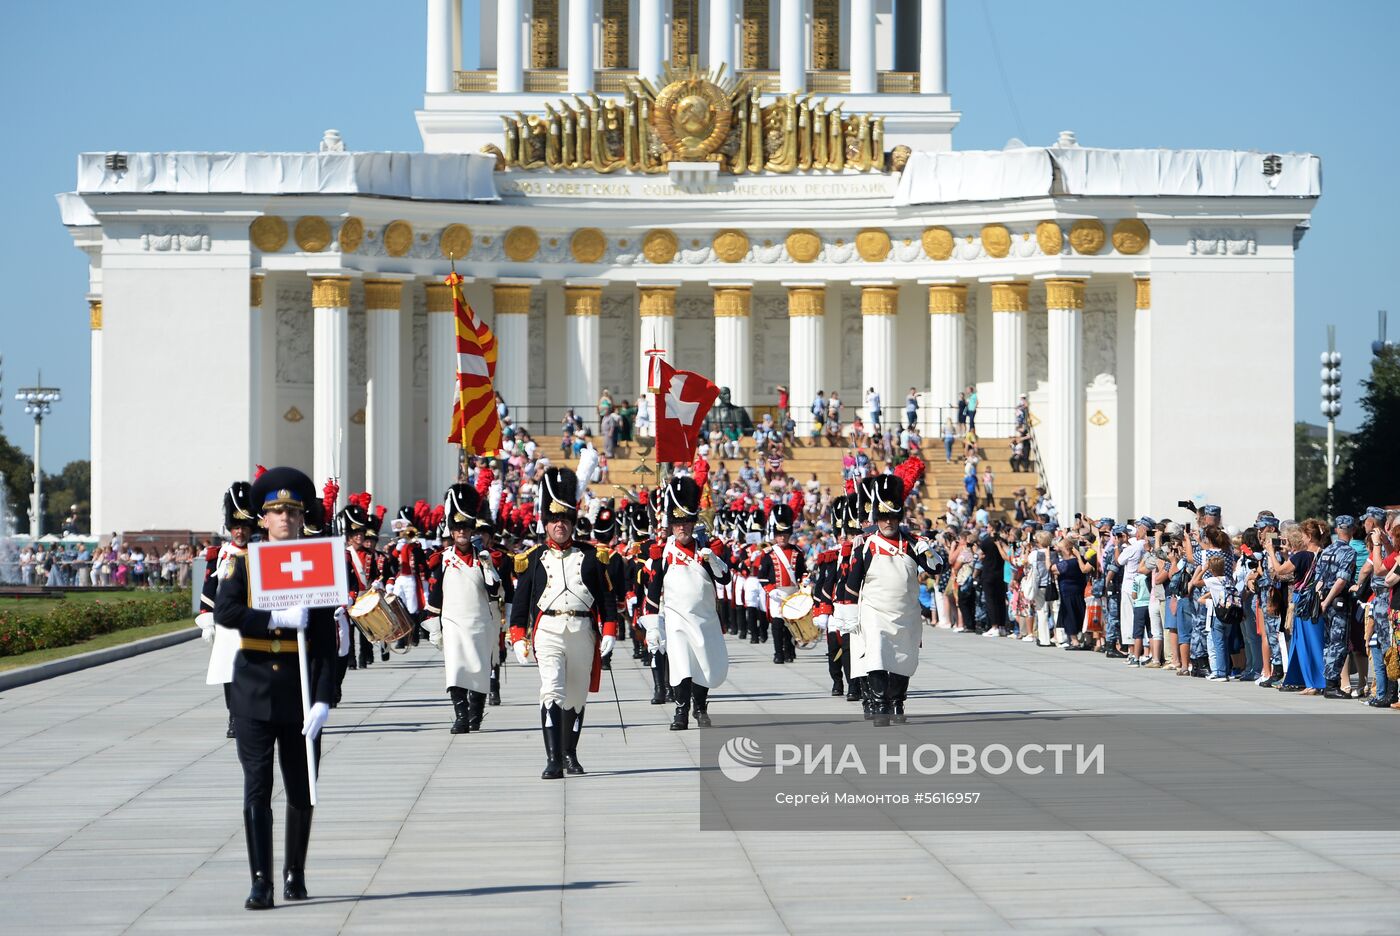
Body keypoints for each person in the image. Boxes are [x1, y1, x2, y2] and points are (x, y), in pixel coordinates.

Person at [213, 467, 337, 910]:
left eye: (292, 510)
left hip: (301, 690)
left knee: (303, 787)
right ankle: (260, 880)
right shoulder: (244, 561)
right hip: (255, 688)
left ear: (303, 516)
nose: (284, 518)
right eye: (275, 511)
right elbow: (224, 611)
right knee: (257, 786)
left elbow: (327, 644)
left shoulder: (319, 561)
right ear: (262, 519)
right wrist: (273, 618)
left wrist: (324, 698)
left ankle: (294, 872)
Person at [509, 467, 619, 779]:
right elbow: (521, 601)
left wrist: (609, 629)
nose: (560, 525)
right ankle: (553, 759)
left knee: (576, 695)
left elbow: (606, 597)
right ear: (546, 523)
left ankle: (571, 753)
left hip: (582, 631)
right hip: (548, 632)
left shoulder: (592, 556)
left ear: (573, 522)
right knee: (551, 691)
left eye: (566, 520)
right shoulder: (532, 558)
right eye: (555, 520)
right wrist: (518, 635)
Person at [845, 474, 942, 726]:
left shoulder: (913, 543)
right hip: (874, 611)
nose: (888, 521)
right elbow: (853, 580)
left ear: (899, 518)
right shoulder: (865, 544)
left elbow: (936, 569)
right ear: (877, 518)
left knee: (903, 658)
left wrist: (928, 550)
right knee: (876, 655)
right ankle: (880, 706)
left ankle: (897, 702)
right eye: (884, 517)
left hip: (906, 612)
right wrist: (846, 613)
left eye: (893, 517)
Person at [643, 477, 732, 730]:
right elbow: (653, 587)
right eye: (677, 524)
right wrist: (651, 624)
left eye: (686, 523)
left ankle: (701, 707)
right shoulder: (662, 553)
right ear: (671, 526)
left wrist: (713, 558)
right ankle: (680, 711)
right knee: (681, 663)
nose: (682, 528)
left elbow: (724, 578)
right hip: (675, 617)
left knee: (703, 662)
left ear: (693, 523)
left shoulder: (707, 547)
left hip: (704, 617)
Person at [423, 485, 501, 734]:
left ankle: (476, 713)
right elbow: (436, 593)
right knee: (455, 670)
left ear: (472, 530)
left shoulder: (484, 557)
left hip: (479, 622)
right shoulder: (442, 559)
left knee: (478, 670)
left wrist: (489, 568)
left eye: (466, 528)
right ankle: (460, 716)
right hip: (453, 622)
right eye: (457, 528)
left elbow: (495, 592)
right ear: (451, 531)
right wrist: (434, 625)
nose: (462, 532)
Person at [199, 481, 257, 740]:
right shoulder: (220, 554)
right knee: (229, 672)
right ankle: (234, 717)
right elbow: (210, 588)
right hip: (228, 623)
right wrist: (207, 620)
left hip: (255, 620)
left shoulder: (261, 552)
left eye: (244, 527)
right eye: (236, 527)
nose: (240, 532)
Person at [756, 503, 805, 665]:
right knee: (777, 625)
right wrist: (770, 591)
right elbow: (762, 576)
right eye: (779, 534)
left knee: (791, 624)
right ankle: (778, 653)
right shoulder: (769, 554)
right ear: (775, 535)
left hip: (793, 593)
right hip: (776, 594)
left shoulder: (797, 552)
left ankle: (790, 650)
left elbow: (802, 572)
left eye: (784, 534)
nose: (782, 537)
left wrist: (804, 585)